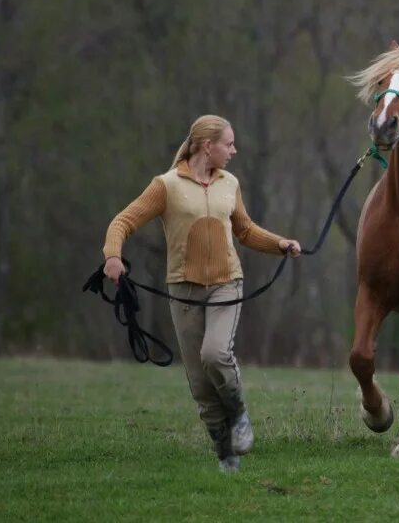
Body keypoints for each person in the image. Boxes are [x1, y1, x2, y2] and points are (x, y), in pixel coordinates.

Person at [102, 115, 301, 472]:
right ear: (208, 147)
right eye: (229, 144)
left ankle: (239, 413)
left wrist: (280, 244)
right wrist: (113, 256)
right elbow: (123, 221)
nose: (234, 150)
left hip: (227, 283)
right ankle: (226, 455)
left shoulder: (230, 183)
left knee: (215, 353)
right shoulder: (166, 186)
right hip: (183, 289)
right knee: (200, 384)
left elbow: (245, 230)